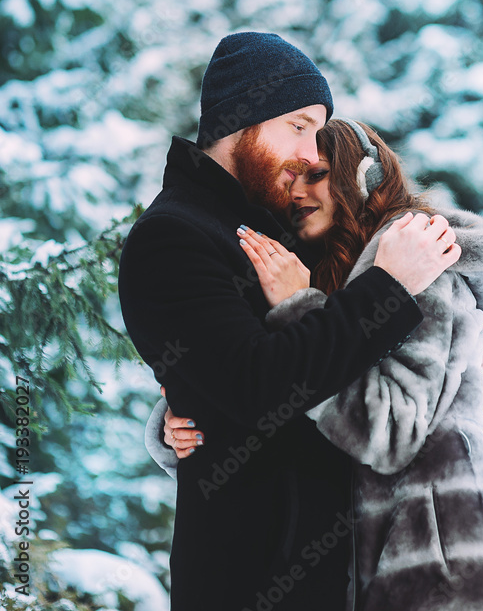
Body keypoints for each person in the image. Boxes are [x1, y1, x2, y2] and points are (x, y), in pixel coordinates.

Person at [152, 118, 483, 611]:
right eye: (292, 178)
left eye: (318, 174)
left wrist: (299, 309)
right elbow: (268, 379)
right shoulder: (336, 278)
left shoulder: (419, 264)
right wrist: (181, 420)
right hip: (397, 566)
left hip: (457, 560)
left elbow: (391, 432)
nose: (298, 191)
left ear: (363, 177)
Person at [118, 31, 464, 611]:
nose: (311, 151)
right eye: (298, 125)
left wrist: (455, 340)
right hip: (248, 580)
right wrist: (391, 286)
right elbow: (259, 384)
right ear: (240, 120)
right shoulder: (173, 237)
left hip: (339, 578)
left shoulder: (274, 225)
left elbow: (304, 363)